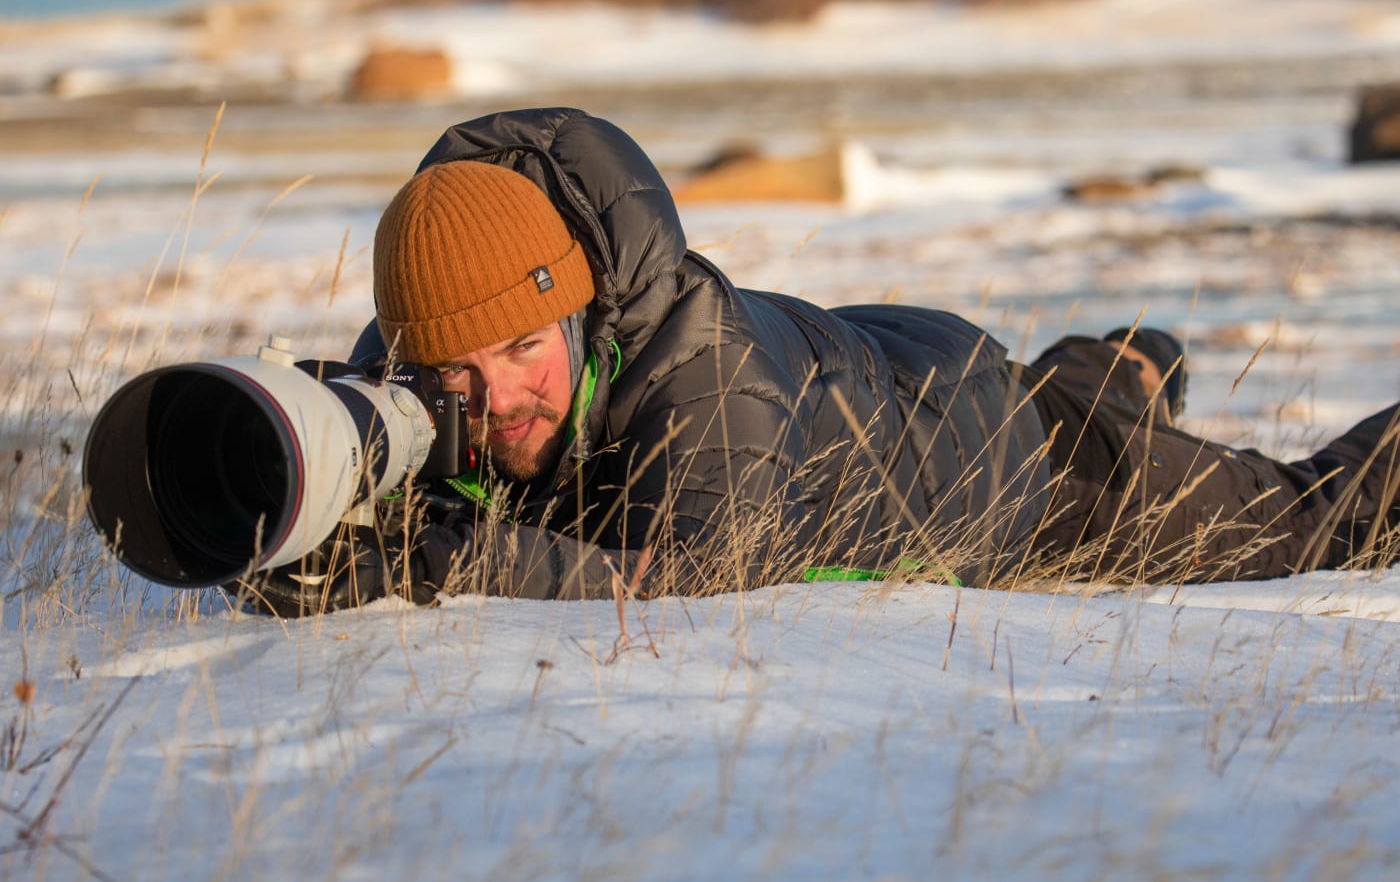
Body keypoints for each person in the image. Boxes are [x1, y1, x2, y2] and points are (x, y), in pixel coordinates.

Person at [228, 108, 1400, 616]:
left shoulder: (705, 380)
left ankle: (1107, 389)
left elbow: (700, 586)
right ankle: (1119, 363)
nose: (497, 400)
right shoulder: (425, 365)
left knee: (1304, 525)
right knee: (1075, 398)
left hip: (982, 465)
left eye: (526, 349)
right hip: (863, 370)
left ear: (581, 312)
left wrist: (459, 559)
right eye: (454, 375)